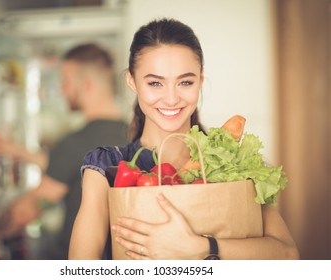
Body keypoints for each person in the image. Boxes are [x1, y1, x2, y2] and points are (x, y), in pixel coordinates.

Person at [68, 18, 300, 260]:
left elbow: (287, 254)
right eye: (155, 83)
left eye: (185, 82)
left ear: (200, 80)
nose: (171, 99)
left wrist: (202, 247)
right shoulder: (108, 167)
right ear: (132, 81)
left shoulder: (229, 161)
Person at [0, 43, 129, 260]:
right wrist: (20, 152)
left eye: (66, 81)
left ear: (87, 85)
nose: (62, 89)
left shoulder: (75, 143)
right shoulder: (131, 135)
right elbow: (74, 169)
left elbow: (28, 210)